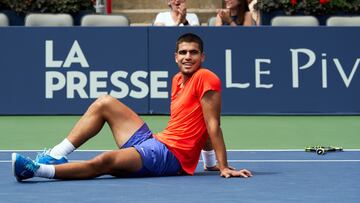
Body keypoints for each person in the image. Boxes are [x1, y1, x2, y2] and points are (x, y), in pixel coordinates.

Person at [12, 33, 252, 181]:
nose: (188, 57)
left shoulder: (206, 77)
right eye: (183, 53)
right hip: (155, 142)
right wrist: (208, 164)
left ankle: (37, 171)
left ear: (202, 57)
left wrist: (221, 166)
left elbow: (212, 124)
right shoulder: (177, 80)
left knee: (105, 161)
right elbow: (197, 122)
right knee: (105, 102)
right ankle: (54, 156)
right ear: (175, 57)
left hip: (169, 157)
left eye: (193, 53)